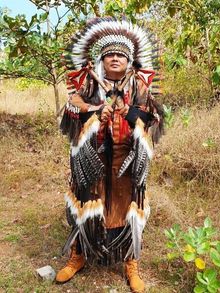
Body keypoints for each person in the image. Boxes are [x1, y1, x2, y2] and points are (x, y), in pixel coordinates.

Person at [56, 17, 163, 292]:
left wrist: (133, 115)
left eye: (120, 55)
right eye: (109, 55)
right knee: (86, 205)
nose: (115, 59)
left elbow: (154, 117)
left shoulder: (139, 87)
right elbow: (71, 109)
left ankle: (130, 264)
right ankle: (77, 256)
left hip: (126, 161)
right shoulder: (89, 86)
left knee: (128, 210)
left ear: (129, 61)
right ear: (101, 60)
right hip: (93, 158)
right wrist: (94, 113)